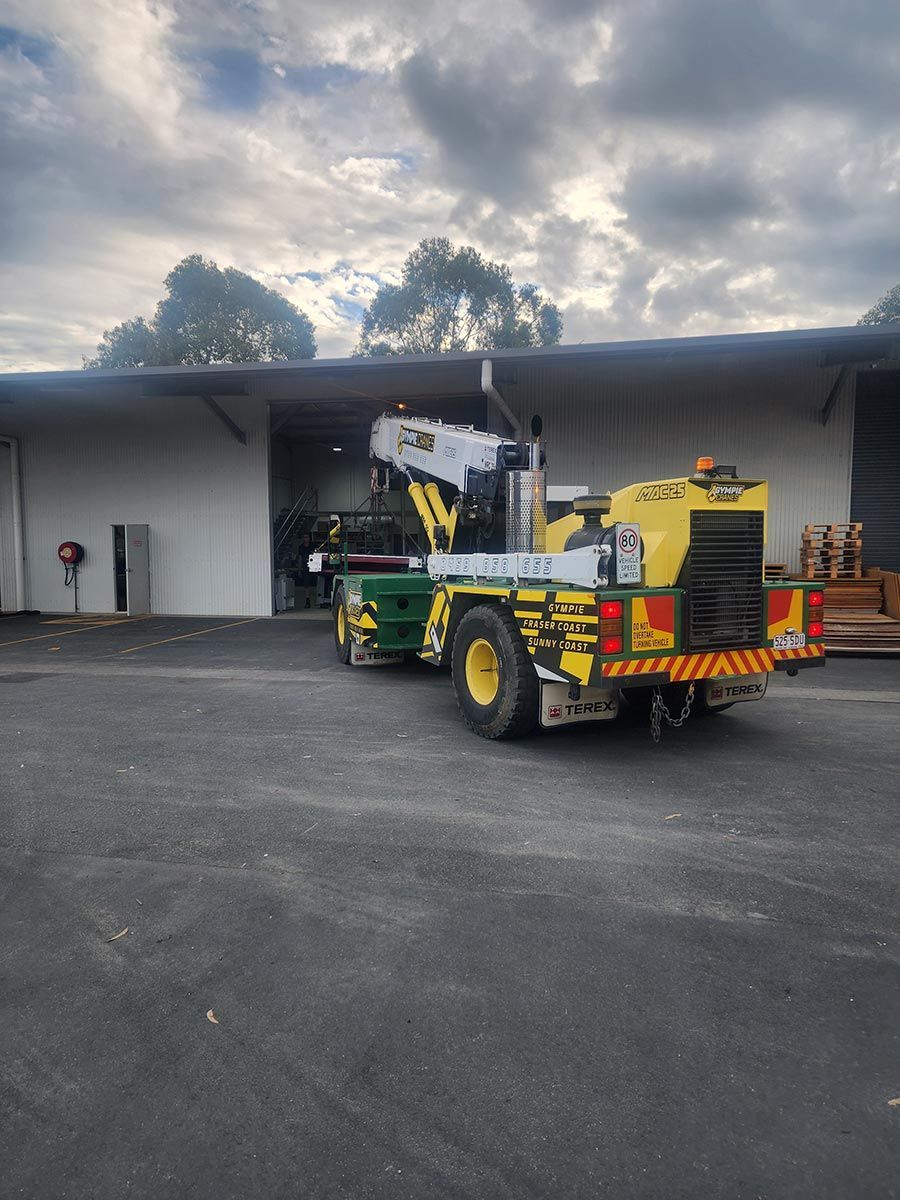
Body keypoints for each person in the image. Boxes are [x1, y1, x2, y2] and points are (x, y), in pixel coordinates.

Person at [296, 532, 315, 609]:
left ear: (309, 538)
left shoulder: (313, 546)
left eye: (307, 537)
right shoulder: (301, 547)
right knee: (306, 585)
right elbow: (300, 558)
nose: (305, 539)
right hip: (305, 567)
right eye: (304, 537)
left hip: (314, 566)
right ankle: (307, 600)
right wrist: (299, 569)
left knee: (315, 583)